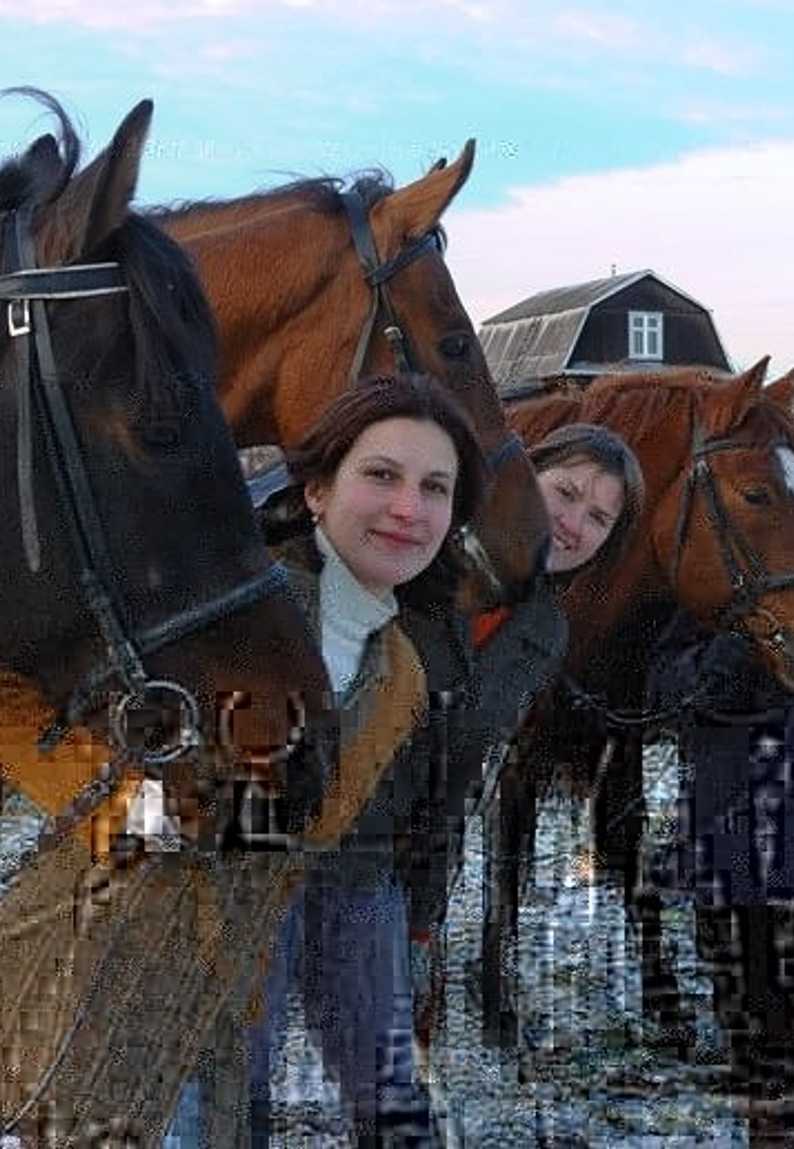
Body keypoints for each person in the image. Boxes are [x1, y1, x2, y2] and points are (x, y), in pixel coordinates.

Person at [147, 373, 493, 1147]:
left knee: (391, 1096)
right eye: (381, 475)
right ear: (314, 490)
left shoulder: (406, 653)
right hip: (209, 903)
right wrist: (143, 834)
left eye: (435, 487)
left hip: (354, 876)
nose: (410, 507)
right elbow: (85, 735)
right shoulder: (228, 610)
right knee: (218, 1102)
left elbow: (418, 788)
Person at [643, 402, 794, 1146]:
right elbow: (661, 689)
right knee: (748, 991)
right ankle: (769, 1126)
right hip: (736, 815)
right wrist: (714, 666)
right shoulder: (725, 562)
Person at [396, 422, 645, 1047]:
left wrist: (419, 930)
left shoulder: (543, 631)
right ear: (523, 477)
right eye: (564, 492)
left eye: (599, 517)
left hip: (387, 877)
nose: (573, 523)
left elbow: (463, 779)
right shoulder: (420, 555)